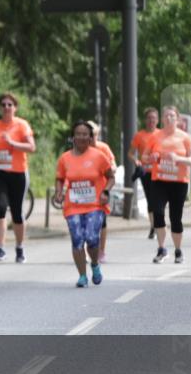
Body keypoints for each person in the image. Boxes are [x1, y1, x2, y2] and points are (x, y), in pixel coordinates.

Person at [54, 121, 115, 288]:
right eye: (78, 134)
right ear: (73, 137)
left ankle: (94, 263)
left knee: (92, 238)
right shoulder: (65, 158)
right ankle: (82, 275)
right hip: (73, 206)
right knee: (77, 240)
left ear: (90, 137)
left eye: (85, 134)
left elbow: (111, 177)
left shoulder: (98, 156)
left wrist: (105, 191)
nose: (81, 137)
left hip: (94, 205)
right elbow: (59, 179)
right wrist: (59, 192)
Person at [0, 93, 36, 263]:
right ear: (0, 108)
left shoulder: (22, 125)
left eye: (9, 105)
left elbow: (31, 147)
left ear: (15, 108)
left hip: (17, 173)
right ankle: (0, 249)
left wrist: (12, 143)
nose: (6, 107)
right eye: (3, 104)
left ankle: (19, 248)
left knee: (17, 213)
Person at [143, 105, 191, 264]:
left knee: (175, 218)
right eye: (166, 116)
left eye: (172, 116)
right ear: (162, 119)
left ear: (177, 119)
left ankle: (178, 250)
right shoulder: (155, 136)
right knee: (158, 212)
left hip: (178, 182)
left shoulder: (185, 138)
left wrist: (178, 159)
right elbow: (144, 157)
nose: (169, 118)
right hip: (159, 180)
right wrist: (151, 158)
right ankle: (161, 249)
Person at [129, 107, 160, 239]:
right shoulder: (139, 135)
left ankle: (159, 224)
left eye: (153, 118)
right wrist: (136, 161)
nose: (151, 121)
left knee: (160, 199)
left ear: (157, 120)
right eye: (149, 118)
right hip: (146, 172)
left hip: (160, 172)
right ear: (145, 120)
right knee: (151, 199)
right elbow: (130, 153)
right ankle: (153, 226)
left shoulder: (161, 134)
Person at [87, 121, 116, 262]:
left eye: (94, 135)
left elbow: (113, 165)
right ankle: (90, 249)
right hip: (85, 189)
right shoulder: (80, 149)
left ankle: (101, 251)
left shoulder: (103, 148)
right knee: (86, 220)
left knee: (101, 221)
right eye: (88, 135)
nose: (91, 138)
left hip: (102, 188)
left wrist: (110, 169)